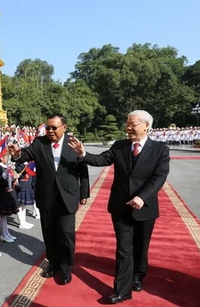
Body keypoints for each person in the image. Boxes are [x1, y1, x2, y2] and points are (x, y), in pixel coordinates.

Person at [68, 110, 170, 304]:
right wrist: (82, 153)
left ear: (146, 125)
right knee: (123, 249)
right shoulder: (120, 146)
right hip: (120, 207)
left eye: (132, 124)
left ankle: (138, 275)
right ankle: (122, 290)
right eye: (127, 123)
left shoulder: (160, 150)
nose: (128, 127)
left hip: (145, 207)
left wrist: (142, 197)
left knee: (141, 247)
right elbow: (102, 160)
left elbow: (159, 177)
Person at [8, 113, 90, 286]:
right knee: (49, 233)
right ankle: (53, 264)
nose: (50, 131)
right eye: (48, 127)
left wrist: (84, 193)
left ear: (64, 127)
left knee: (66, 235)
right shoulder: (39, 142)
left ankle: (66, 269)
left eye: (54, 127)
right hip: (46, 197)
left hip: (67, 196)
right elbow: (24, 155)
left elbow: (83, 170)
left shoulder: (73, 143)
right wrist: (16, 154)